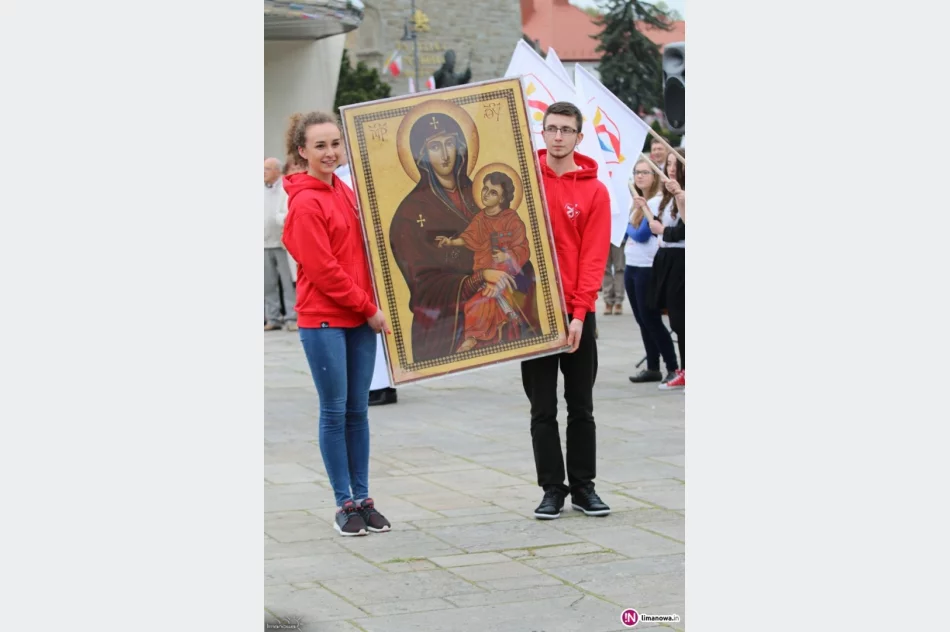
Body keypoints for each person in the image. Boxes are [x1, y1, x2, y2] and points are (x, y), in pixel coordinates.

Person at [281, 110, 394, 537]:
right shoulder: (306, 202)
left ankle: (363, 499)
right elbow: (324, 271)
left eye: (335, 144)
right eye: (320, 146)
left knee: (357, 411)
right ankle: (343, 504)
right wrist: (369, 308)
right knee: (334, 411)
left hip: (360, 317)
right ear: (302, 151)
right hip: (325, 320)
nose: (330, 152)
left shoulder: (344, 191)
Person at [521, 101, 612, 520]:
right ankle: (551, 490)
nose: (558, 137)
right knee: (542, 408)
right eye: (551, 129)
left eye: (566, 130)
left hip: (578, 313)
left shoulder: (594, 191)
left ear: (579, 136)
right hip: (532, 312)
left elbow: (593, 258)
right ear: (542, 133)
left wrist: (579, 314)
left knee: (581, 405)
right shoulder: (524, 179)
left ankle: (583, 487)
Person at [389, 108, 536, 363]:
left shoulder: (481, 191)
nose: (445, 155)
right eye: (435, 147)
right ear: (421, 156)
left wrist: (506, 264)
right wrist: (478, 278)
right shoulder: (409, 213)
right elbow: (422, 285)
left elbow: (514, 242)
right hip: (447, 324)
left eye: (450, 144)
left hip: (504, 302)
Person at [435, 170, 539, 352]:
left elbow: (523, 248)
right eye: (485, 188)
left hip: (507, 274)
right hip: (483, 274)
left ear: (502, 198)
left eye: (493, 192)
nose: (486, 194)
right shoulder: (480, 219)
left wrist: (507, 256)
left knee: (483, 302)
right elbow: (468, 238)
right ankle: (477, 335)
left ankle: (473, 337)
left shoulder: (511, 220)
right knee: (475, 303)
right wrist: (450, 242)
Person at [333, 149, 399, 406]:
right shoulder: (341, 178)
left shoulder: (354, 178)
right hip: (360, 261)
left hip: (367, 262)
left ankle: (380, 386)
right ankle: (378, 384)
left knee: (373, 324)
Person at [625, 158, 679, 384]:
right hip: (632, 264)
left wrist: (628, 225)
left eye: (645, 172)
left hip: (647, 267)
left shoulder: (656, 202)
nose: (639, 176)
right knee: (642, 320)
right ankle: (653, 366)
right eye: (637, 172)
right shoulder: (638, 202)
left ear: (654, 176)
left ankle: (672, 366)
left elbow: (640, 234)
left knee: (651, 319)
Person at [648, 150, 686, 390]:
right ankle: (682, 368)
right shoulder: (667, 197)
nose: (671, 168)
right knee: (673, 316)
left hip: (681, 259)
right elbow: (658, 228)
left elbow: (683, 230)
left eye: (676, 164)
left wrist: (663, 231)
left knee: (682, 318)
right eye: (669, 164)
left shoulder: (684, 196)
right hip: (665, 258)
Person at [264, 157, 297, 332]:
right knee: (267, 284)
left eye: (267, 169)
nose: (263, 172)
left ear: (277, 170)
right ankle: (273, 318)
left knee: (287, 282)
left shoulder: (285, 187)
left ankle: (292, 317)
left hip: (282, 242)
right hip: (264, 243)